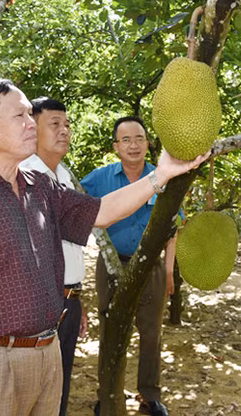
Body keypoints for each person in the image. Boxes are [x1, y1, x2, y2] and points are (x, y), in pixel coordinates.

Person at [0, 79, 207, 416]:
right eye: (20, 115)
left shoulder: (40, 186)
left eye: (31, 115)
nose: (31, 123)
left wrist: (160, 175)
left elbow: (102, 211)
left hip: (48, 357)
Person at [81, 116, 177, 416]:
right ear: (115, 147)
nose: (133, 145)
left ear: (148, 143)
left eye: (139, 138)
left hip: (150, 267)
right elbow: (72, 203)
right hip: (111, 265)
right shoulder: (99, 179)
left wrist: (170, 271)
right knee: (110, 330)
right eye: (126, 140)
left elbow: (175, 227)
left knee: (151, 333)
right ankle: (107, 394)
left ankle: (150, 395)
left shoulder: (164, 177)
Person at [19, 96, 87, 416]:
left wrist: (75, 301)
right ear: (33, 129)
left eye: (67, 124)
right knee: (33, 395)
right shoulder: (25, 176)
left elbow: (69, 248)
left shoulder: (63, 175)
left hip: (67, 302)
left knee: (58, 391)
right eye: (55, 124)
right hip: (39, 305)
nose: (64, 131)